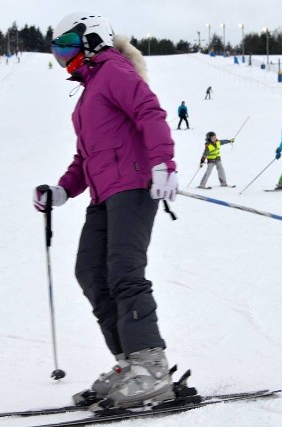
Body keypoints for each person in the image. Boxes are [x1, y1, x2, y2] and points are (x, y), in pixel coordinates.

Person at [32, 13, 179, 409]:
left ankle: (152, 367)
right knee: (91, 272)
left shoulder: (114, 71)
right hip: (103, 195)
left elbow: (150, 112)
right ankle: (128, 362)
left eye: (66, 43)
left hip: (133, 186)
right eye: (56, 47)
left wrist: (163, 163)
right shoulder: (89, 90)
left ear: (91, 39)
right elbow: (85, 156)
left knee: (124, 273)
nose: (61, 55)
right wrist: (63, 189)